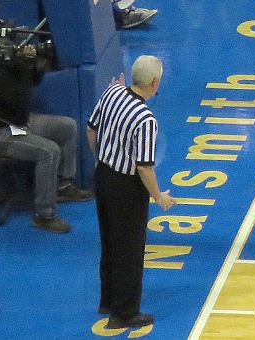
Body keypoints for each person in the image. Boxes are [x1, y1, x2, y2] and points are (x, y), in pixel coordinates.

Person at [0, 27, 94, 234]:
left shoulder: (5, 64)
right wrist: (24, 66)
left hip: (19, 123)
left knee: (67, 126)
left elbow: (33, 83)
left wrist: (34, 66)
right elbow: (19, 100)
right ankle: (44, 215)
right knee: (49, 151)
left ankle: (63, 185)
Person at [87, 56, 175, 329]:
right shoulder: (146, 119)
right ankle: (124, 313)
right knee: (130, 250)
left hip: (103, 176)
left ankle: (108, 300)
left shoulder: (112, 92)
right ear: (155, 83)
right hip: (126, 189)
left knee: (110, 241)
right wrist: (159, 195)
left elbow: (91, 129)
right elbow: (144, 167)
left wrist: (101, 159)